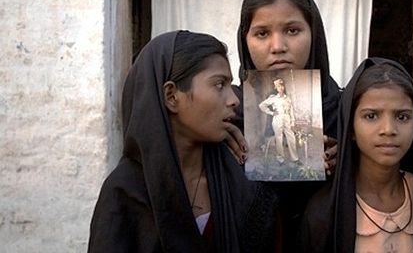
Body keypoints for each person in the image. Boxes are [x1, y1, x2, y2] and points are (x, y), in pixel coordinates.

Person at [88, 30, 279, 253]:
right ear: (171, 96)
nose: (234, 99)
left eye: (230, 85)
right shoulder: (125, 193)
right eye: (219, 85)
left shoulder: (239, 181)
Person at [299, 58, 413, 253]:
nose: (388, 130)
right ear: (351, 128)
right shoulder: (323, 213)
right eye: (371, 116)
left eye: (402, 117)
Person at [234, 0, 342, 251]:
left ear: (313, 33)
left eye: (292, 30)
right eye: (262, 33)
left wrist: (351, 161)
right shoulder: (226, 115)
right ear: (244, 39)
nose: (278, 46)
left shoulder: (345, 112)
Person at [259, 77, 299, 164]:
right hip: (277, 119)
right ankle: (280, 159)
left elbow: (291, 110)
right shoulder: (273, 98)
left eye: (282, 86)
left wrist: (292, 121)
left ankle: (295, 158)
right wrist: (271, 113)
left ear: (283, 87)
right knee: (279, 138)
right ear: (276, 88)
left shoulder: (288, 98)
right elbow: (262, 105)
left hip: (287, 118)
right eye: (278, 86)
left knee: (291, 137)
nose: (281, 88)